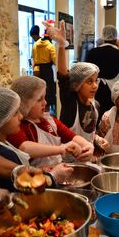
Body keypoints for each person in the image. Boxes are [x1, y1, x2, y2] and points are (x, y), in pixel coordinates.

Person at [0, 87, 74, 191]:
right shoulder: (1, 152)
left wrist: (41, 170)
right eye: (15, 113)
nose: (21, 116)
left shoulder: (3, 143)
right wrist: (53, 176)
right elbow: (25, 189)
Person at [44, 20, 108, 149]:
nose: (95, 86)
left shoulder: (95, 106)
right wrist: (62, 46)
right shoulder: (70, 103)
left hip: (88, 158)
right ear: (77, 84)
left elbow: (89, 134)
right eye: (89, 82)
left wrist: (97, 139)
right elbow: (63, 76)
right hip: (68, 160)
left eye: (96, 80)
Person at [8, 76, 94, 166]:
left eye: (44, 98)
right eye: (39, 99)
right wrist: (61, 149)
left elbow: (71, 136)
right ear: (24, 104)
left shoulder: (49, 120)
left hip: (57, 171)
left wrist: (87, 145)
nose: (45, 103)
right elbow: (25, 148)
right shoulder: (17, 125)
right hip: (35, 177)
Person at [32, 22, 56, 113]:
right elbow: (55, 60)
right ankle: (46, 111)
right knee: (48, 91)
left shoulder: (36, 44)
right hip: (46, 70)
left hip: (36, 70)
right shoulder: (50, 46)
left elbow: (33, 57)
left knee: (38, 91)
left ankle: (37, 110)